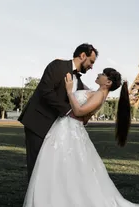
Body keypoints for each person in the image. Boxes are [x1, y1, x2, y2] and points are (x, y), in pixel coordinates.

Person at [19, 68, 139, 207]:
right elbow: (85, 119)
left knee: (62, 169)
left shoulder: (99, 95)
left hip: (68, 132)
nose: (99, 74)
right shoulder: (98, 93)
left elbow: (79, 112)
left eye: (103, 74)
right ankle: (59, 206)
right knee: (66, 170)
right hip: (68, 131)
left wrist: (68, 91)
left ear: (108, 82)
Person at [18, 43, 98, 180]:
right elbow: (45, 91)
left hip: (56, 130)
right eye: (91, 61)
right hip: (38, 123)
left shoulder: (78, 81)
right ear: (83, 55)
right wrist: (68, 111)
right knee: (36, 165)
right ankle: (34, 201)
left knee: (48, 167)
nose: (92, 66)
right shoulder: (57, 66)